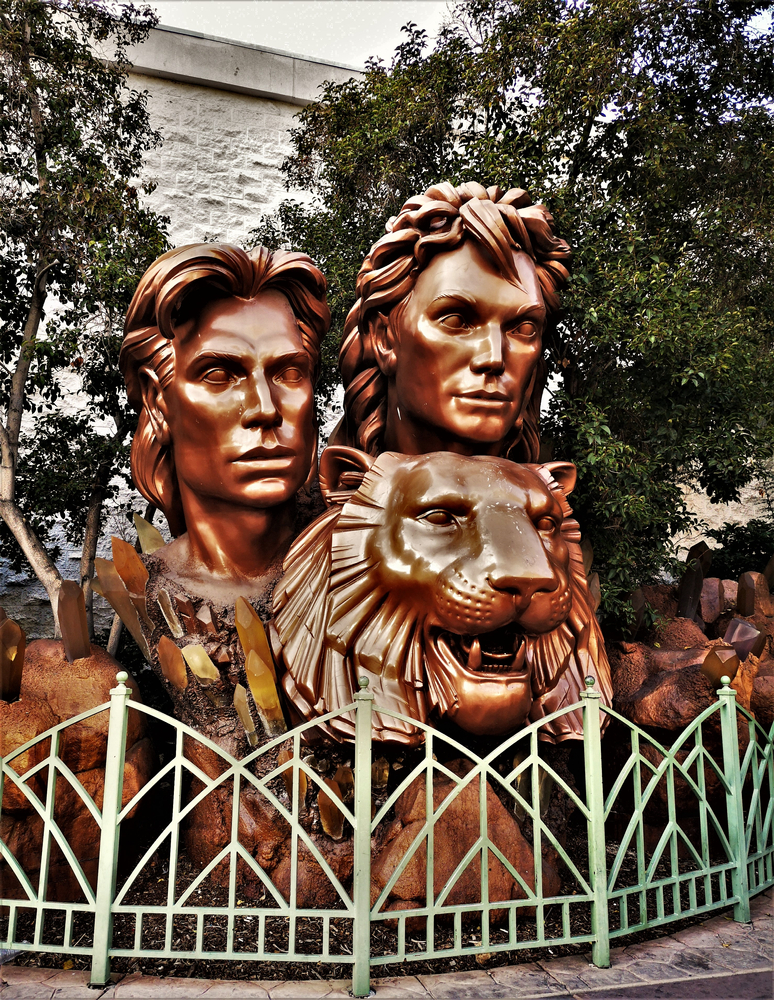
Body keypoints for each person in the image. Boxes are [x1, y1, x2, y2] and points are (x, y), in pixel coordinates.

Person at [120, 243, 330, 605]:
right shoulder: (144, 589)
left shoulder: (365, 561)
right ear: (157, 402)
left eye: (290, 373)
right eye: (219, 375)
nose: (265, 409)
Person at [331, 180, 571, 462]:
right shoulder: (323, 491)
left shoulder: (546, 499)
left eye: (524, 328)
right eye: (456, 321)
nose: (493, 358)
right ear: (383, 338)